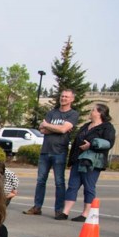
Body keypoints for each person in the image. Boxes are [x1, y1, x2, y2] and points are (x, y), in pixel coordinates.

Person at [24, 89, 78, 217]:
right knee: (41, 180)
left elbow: (63, 129)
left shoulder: (73, 114)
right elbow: (42, 130)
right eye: (62, 96)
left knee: (59, 182)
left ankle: (59, 210)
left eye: (66, 97)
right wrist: (56, 128)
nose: (63, 98)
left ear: (72, 99)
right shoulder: (52, 112)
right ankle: (37, 207)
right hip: (45, 151)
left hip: (60, 151)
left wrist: (50, 126)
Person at [60, 103, 116, 221]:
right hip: (78, 160)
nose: (91, 112)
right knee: (72, 186)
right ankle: (65, 212)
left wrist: (91, 146)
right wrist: (71, 160)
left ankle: (85, 214)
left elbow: (109, 143)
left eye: (93, 110)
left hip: (93, 162)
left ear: (99, 113)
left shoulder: (107, 127)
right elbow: (76, 142)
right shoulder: (86, 126)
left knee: (89, 187)